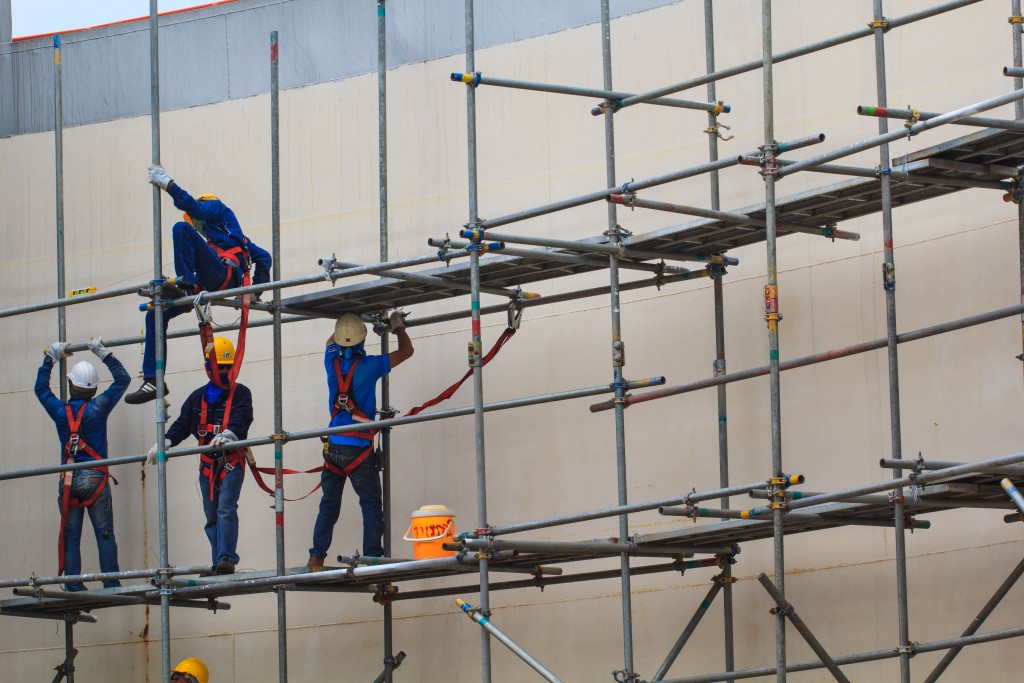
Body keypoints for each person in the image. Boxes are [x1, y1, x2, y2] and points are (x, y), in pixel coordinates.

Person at [126, 165, 272, 404]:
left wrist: (169, 185)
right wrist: (255, 291)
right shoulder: (236, 240)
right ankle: (153, 379)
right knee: (155, 314)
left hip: (221, 276)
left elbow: (195, 208)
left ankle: (184, 284)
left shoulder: (218, 209)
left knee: (180, 229)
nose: (197, 224)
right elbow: (264, 257)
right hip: (208, 284)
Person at [307, 311, 413, 569]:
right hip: (358, 451)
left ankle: (316, 557)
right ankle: (372, 559)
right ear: (361, 341)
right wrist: (396, 327)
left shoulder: (330, 360)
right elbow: (407, 351)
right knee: (371, 507)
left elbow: (331, 341)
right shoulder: (370, 366)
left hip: (333, 449)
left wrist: (349, 320)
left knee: (328, 507)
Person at [150, 337, 253, 575]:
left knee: (226, 508)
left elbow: (242, 419)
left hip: (231, 462)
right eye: (221, 367)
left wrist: (230, 434)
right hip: (208, 466)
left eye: (229, 367)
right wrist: (166, 441)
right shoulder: (198, 398)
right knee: (211, 515)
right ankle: (218, 561)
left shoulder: (241, 394)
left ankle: (227, 557)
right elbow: (183, 424)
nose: (226, 372)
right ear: (210, 367)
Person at [35, 338, 129, 591]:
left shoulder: (59, 412)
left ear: (70, 384)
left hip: (68, 479)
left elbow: (41, 390)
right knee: (104, 533)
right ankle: (111, 581)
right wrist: (104, 353)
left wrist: (49, 360)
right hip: (96, 478)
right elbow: (123, 380)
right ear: (94, 389)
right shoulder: (98, 407)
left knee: (70, 535)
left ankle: (73, 584)